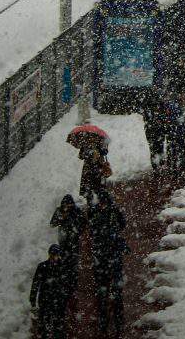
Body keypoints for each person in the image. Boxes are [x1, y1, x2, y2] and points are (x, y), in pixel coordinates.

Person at [91, 207, 128, 335]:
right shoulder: (114, 238)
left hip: (106, 272)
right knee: (113, 300)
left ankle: (106, 326)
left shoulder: (101, 241)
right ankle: (114, 325)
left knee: (106, 299)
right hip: (110, 271)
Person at [29, 244, 72, 339]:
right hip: (46, 300)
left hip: (58, 300)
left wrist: (66, 297)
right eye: (52, 255)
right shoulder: (43, 266)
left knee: (58, 326)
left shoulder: (63, 267)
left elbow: (69, 284)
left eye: (55, 255)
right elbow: (35, 284)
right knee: (45, 326)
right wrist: (33, 300)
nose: (53, 257)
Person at [78, 142, 111, 207]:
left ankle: (99, 208)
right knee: (89, 194)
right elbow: (81, 156)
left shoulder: (100, 141)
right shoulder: (86, 143)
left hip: (98, 171)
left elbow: (105, 152)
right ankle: (91, 208)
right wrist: (89, 152)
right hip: (89, 173)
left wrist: (98, 151)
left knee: (100, 193)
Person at [163, 95, 185, 173]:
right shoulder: (178, 108)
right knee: (180, 149)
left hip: (173, 132)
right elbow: (182, 121)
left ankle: (173, 166)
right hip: (177, 132)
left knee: (173, 149)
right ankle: (181, 165)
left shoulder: (171, 106)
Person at [140, 96, 166, 170]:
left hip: (154, 132)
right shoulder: (155, 112)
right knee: (158, 148)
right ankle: (158, 164)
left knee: (155, 149)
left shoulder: (149, 112)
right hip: (155, 132)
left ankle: (157, 165)